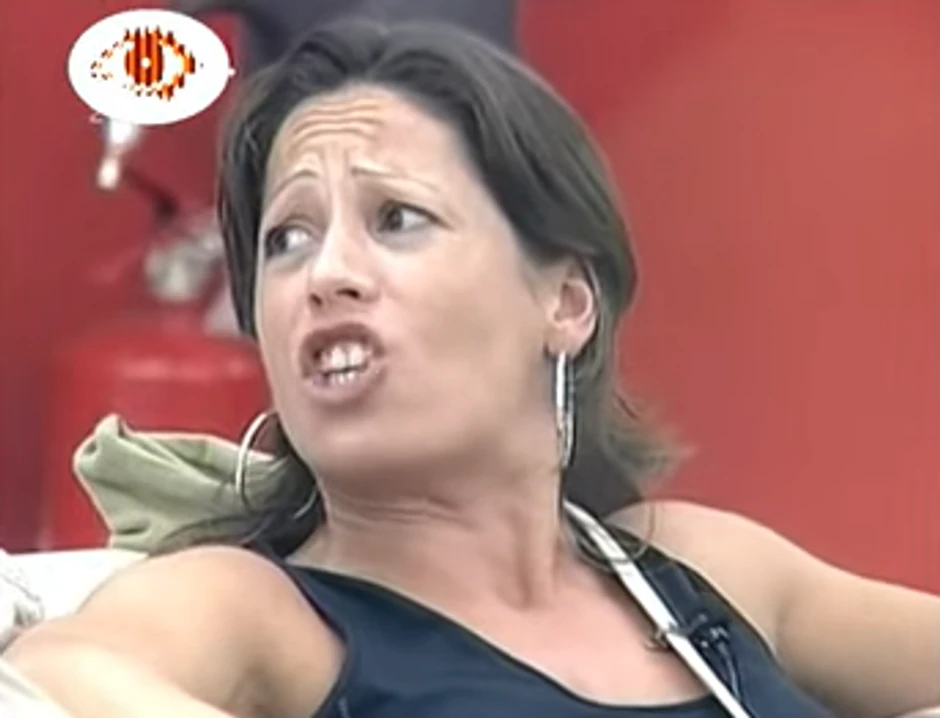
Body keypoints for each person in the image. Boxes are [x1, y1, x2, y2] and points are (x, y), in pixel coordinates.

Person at [6, 19, 939, 718]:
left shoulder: (700, 569)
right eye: (287, 238)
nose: (324, 274)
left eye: (397, 219)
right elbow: (58, 675)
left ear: (564, 303)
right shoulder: (259, 612)